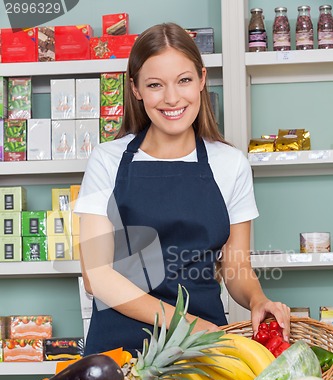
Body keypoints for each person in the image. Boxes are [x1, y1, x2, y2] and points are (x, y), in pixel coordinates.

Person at [75, 22, 290, 356]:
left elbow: (236, 268)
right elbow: (97, 276)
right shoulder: (107, 160)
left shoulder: (230, 164)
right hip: (118, 350)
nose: (172, 98)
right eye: (155, 85)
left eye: (184, 80)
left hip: (202, 349)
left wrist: (258, 299)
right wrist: (186, 323)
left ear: (202, 79)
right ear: (136, 89)